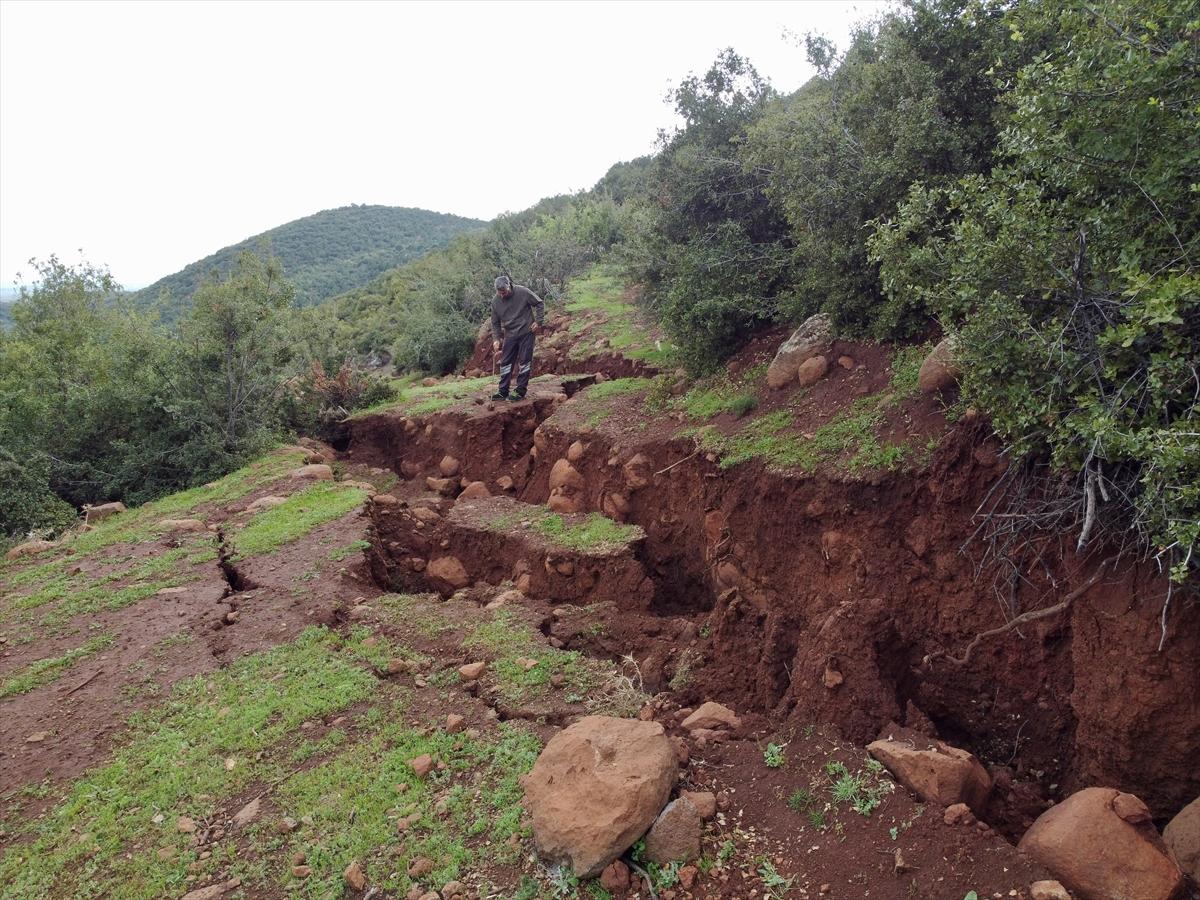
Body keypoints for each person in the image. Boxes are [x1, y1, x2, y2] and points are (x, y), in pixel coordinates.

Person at [489, 275, 545, 401]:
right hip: (510, 334)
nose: (502, 295)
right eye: (499, 292)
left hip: (526, 332)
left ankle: (520, 391)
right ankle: (503, 391)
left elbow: (539, 303)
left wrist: (539, 321)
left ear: (509, 286)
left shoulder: (522, 292)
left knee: (525, 361)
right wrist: (496, 339)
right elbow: (495, 322)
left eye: (504, 291)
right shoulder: (495, 302)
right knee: (505, 363)